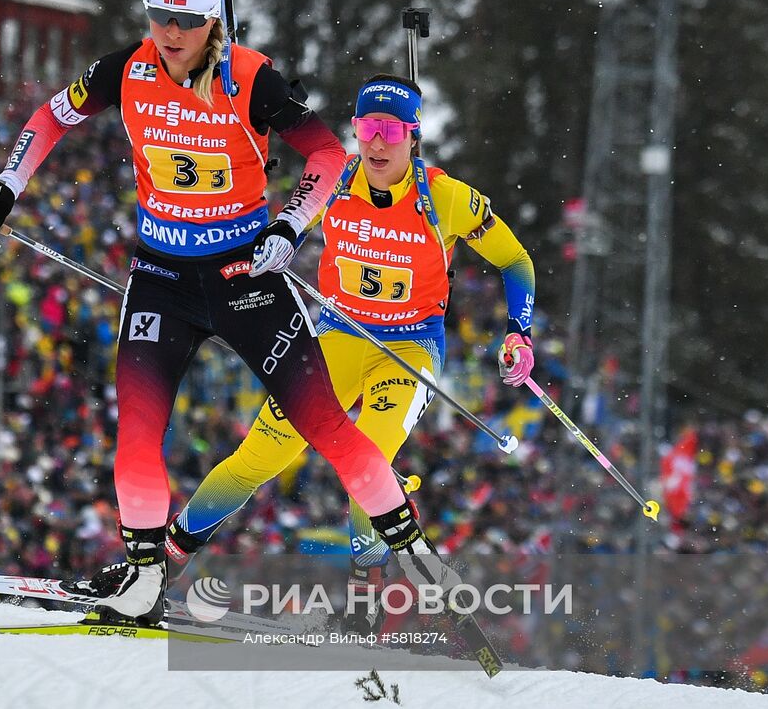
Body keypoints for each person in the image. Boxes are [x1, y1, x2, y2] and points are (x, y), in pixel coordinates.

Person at [0, 0, 450, 625]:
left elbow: (324, 151)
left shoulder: (252, 79)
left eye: (187, 19)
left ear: (213, 21)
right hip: (161, 278)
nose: (170, 33)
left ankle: (410, 549)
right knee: (136, 432)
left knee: (326, 426)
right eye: (160, 15)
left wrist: (290, 224)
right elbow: (51, 116)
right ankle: (142, 576)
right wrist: (6, 185)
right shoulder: (124, 70)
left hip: (244, 277)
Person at [163, 73, 536, 625]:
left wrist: (518, 331)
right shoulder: (333, 183)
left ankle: (365, 603)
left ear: (413, 135)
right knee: (255, 460)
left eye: (390, 130)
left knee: (368, 465)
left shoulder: (447, 199)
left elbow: (516, 261)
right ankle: (157, 563)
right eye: (366, 129)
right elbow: (261, 223)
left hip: (408, 352)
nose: (377, 143)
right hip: (337, 339)